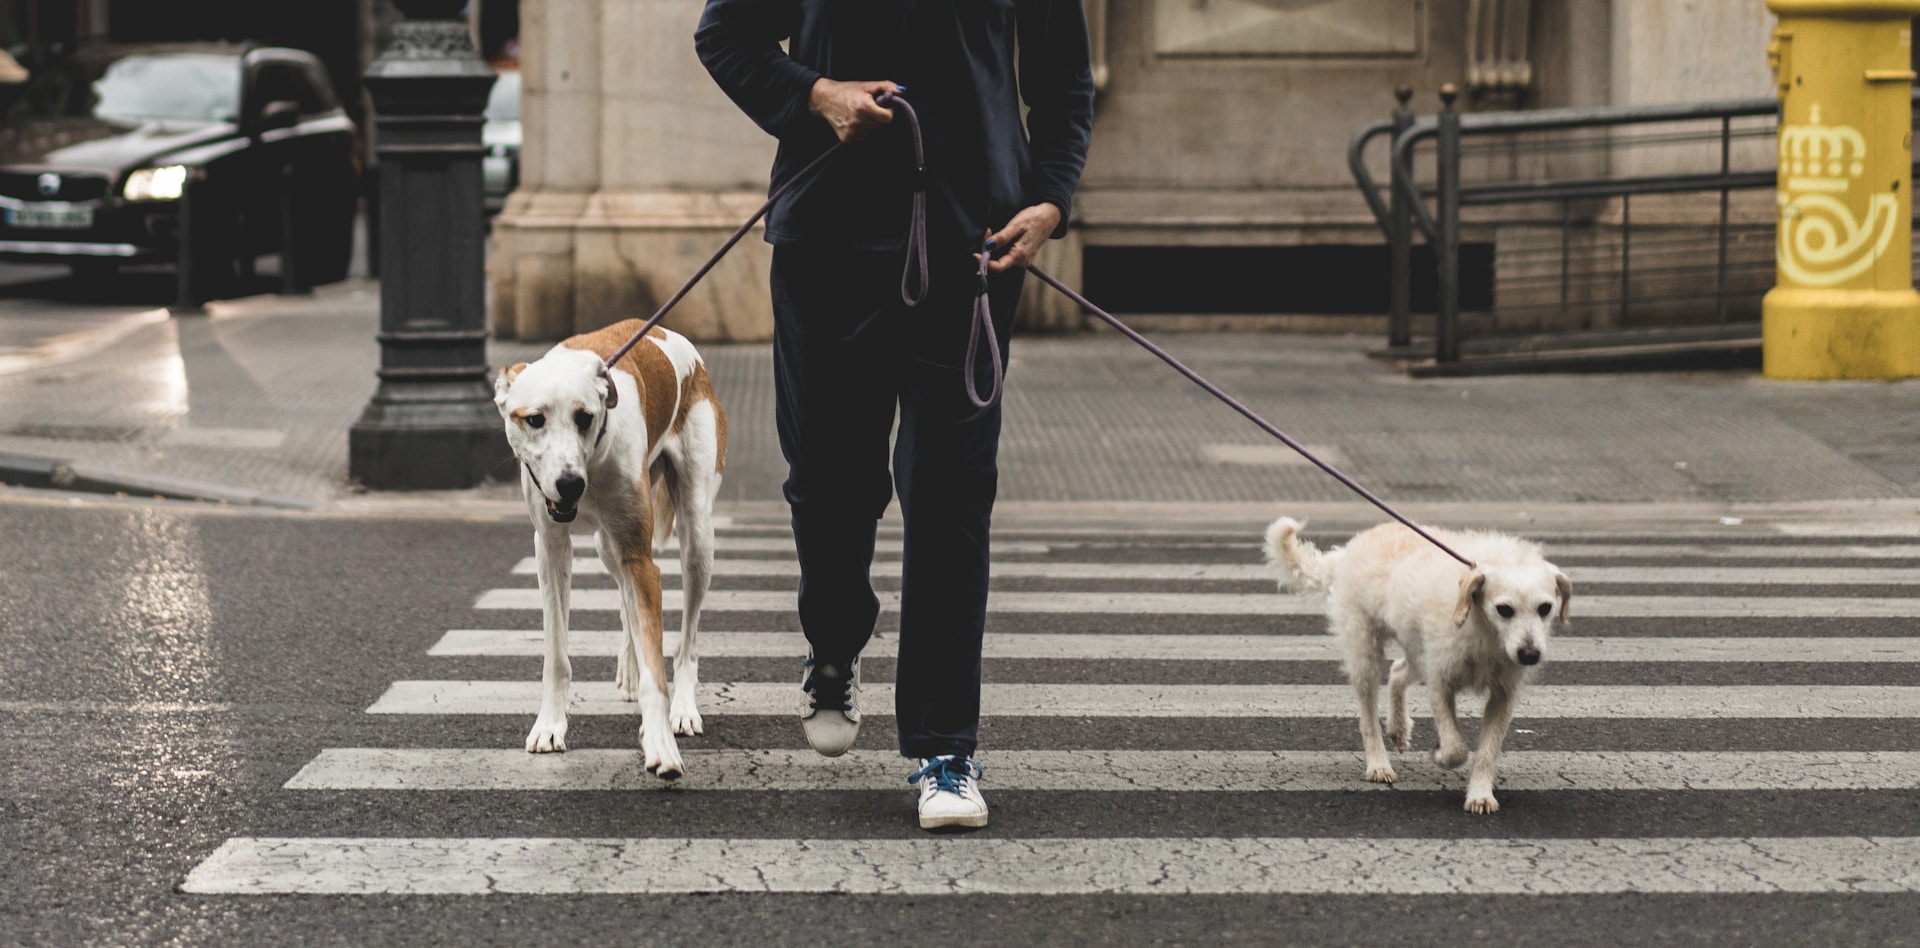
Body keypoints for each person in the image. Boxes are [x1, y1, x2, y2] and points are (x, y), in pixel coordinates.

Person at [695, 0, 1095, 830]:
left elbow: (1063, 84)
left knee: (951, 496)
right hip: (827, 245)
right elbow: (725, 35)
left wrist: (1050, 198)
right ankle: (834, 643)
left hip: (974, 248)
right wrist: (817, 95)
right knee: (829, 483)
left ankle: (945, 750)